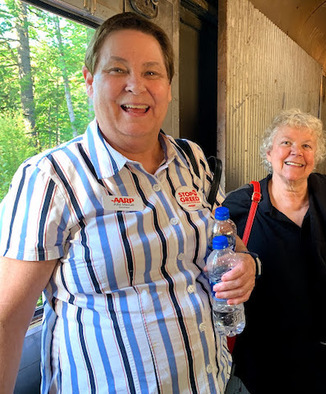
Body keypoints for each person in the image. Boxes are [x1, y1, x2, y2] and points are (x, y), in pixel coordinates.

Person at [0, 12, 257, 393]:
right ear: (90, 81)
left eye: (152, 73)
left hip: (216, 381)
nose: (136, 86)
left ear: (169, 87)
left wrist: (245, 262)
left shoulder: (193, 161)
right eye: (118, 70)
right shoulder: (51, 178)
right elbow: (7, 320)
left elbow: (225, 235)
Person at [223, 109, 326, 393]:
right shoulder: (240, 207)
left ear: (316, 155)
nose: (296, 152)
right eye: (286, 143)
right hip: (265, 360)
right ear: (269, 152)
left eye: (306, 145)